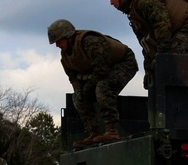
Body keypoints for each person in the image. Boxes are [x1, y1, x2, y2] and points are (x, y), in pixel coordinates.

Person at [99, 0, 188, 89]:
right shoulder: (133, 11)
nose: (111, 3)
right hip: (171, 33)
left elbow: (162, 24)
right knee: (156, 72)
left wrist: (161, 57)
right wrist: (148, 69)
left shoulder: (143, 0)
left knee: (167, 64)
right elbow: (148, 45)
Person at [48, 18, 138, 147]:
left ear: (67, 36)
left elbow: (101, 70)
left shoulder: (90, 41)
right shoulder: (66, 57)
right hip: (100, 71)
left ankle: (112, 131)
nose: (57, 46)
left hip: (123, 63)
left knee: (103, 87)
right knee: (78, 98)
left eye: (59, 41)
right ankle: (94, 132)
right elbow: (73, 78)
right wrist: (79, 90)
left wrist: (87, 88)